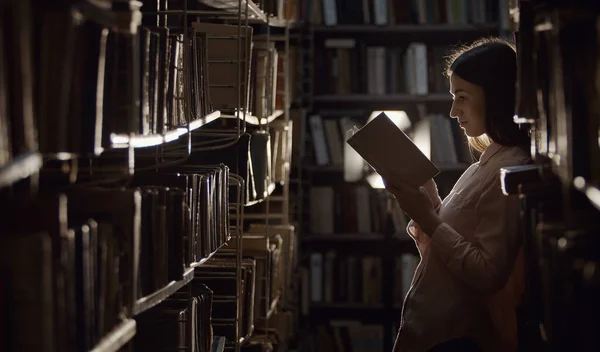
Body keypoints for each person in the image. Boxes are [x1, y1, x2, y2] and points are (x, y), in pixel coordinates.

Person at [385, 37, 531, 352]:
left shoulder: (509, 170)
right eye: (453, 97)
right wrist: (430, 200)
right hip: (437, 332)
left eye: (462, 97)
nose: (453, 111)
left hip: (455, 339)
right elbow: (449, 253)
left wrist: (425, 216)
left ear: (496, 97)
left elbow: (488, 275)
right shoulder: (490, 159)